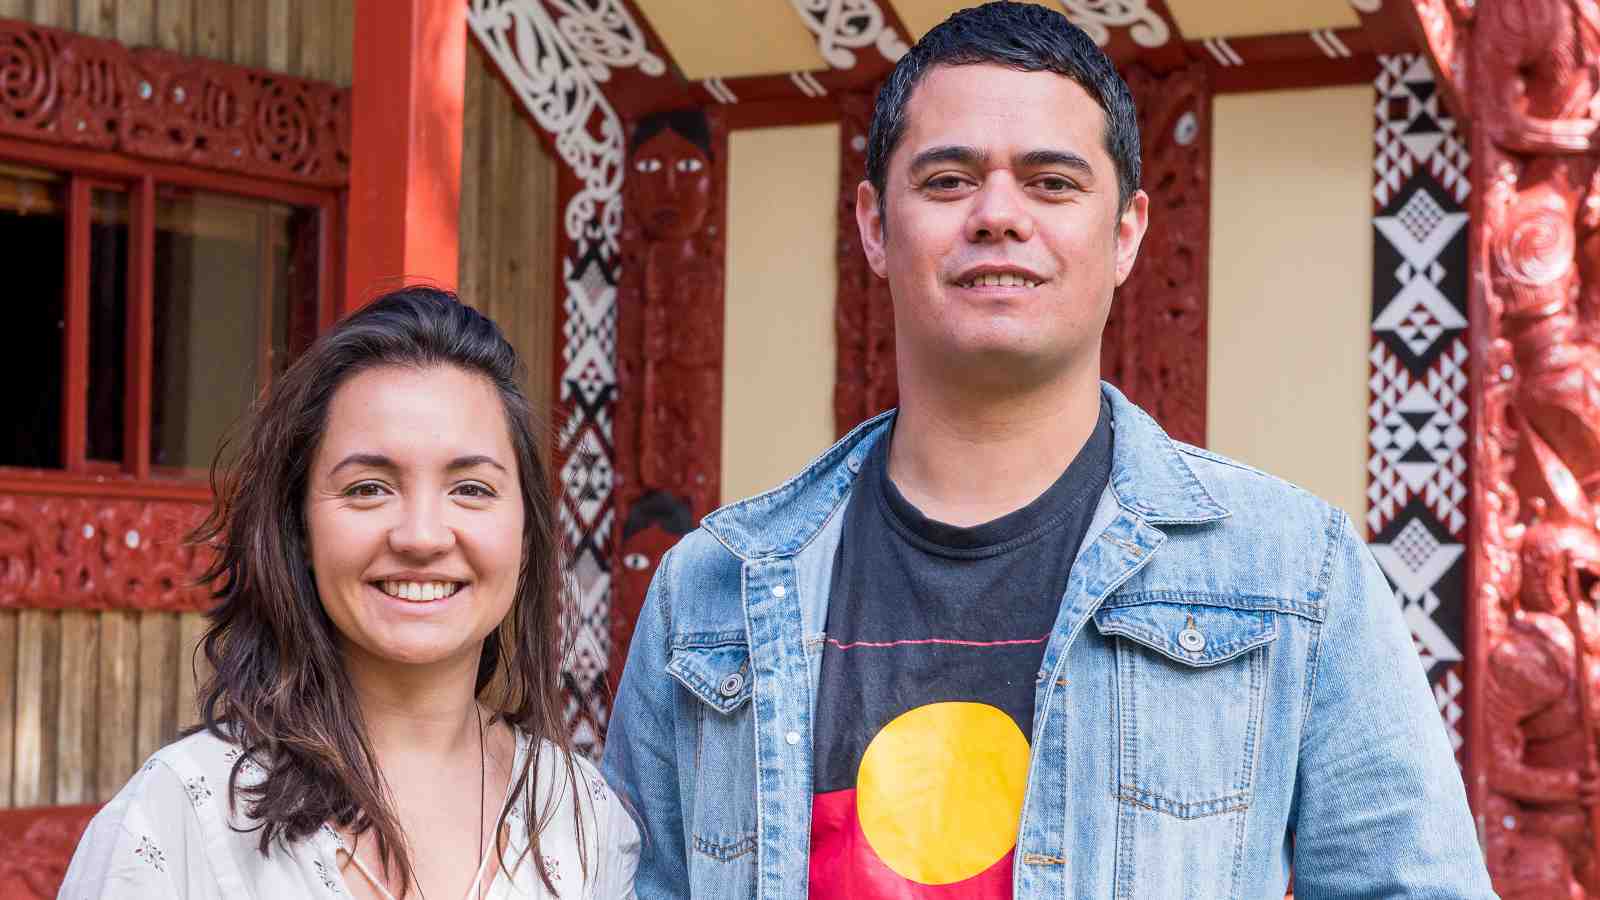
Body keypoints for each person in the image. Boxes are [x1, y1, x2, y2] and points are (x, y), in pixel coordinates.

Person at [600, 3, 1493, 897]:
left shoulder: (1294, 574)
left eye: (1052, 183)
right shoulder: (709, 590)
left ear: (1127, 233)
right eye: (947, 180)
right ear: (875, 226)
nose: (998, 215)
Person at [62, 288, 639, 899]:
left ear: (527, 534)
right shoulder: (182, 817)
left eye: (470, 488)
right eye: (368, 488)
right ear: (300, 528)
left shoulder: (581, 822)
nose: (421, 536)